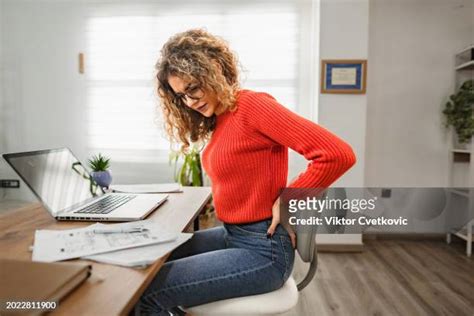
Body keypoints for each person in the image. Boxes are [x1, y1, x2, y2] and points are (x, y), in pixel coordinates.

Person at [137, 28, 356, 315]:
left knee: (146, 292)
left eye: (193, 88)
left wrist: (289, 199)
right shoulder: (221, 119)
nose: (189, 101)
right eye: (181, 96)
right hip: (233, 234)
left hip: (263, 251)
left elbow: (337, 154)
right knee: (147, 260)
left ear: (213, 69)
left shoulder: (251, 106)